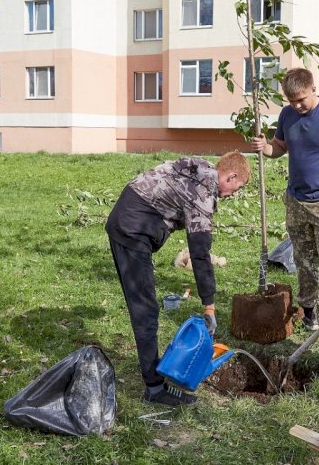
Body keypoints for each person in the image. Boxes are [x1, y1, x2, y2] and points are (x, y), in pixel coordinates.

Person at [106, 152, 250, 406]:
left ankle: (155, 376)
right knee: (145, 311)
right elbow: (200, 254)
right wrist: (209, 305)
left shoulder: (201, 169)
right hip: (132, 228)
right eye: (234, 188)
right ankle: (154, 389)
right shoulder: (203, 196)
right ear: (231, 175)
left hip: (128, 217)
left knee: (145, 307)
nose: (231, 195)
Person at [250, 68, 319, 352]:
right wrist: (265, 147)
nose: (296, 105)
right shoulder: (287, 115)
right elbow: (279, 147)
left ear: (313, 89)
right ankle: (309, 312)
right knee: (304, 260)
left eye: (301, 100)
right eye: (291, 100)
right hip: (296, 200)